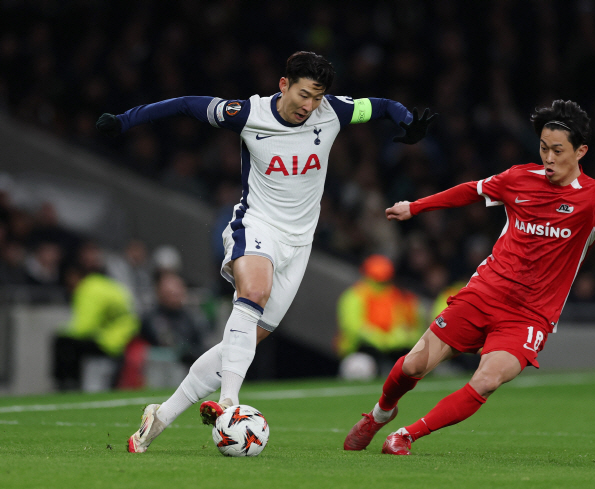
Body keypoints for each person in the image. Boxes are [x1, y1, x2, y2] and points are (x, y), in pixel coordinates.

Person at [96, 51, 437, 453]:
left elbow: (380, 106)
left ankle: (160, 418)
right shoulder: (247, 113)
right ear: (283, 85)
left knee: (239, 345)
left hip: (299, 245)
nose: (309, 106)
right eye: (304, 94)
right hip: (256, 227)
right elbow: (186, 105)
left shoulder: (334, 112)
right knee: (252, 294)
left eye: (317, 97)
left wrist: (406, 122)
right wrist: (124, 120)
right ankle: (229, 404)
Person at [343, 100, 595, 455]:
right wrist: (415, 207)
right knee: (415, 364)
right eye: (543, 148)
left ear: (581, 150)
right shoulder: (519, 178)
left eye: (558, 150)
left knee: (486, 380)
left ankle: (406, 435)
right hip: (484, 293)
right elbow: (470, 190)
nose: (549, 158)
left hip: (530, 315)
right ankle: (379, 415)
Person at [52, 261, 140, 391]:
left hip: (108, 341)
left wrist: (62, 331)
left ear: (74, 276)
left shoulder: (87, 288)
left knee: (62, 342)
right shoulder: (106, 284)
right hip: (124, 338)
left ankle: (67, 385)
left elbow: (84, 327)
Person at [336, 254, 424, 379]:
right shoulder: (356, 296)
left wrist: (397, 339)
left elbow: (415, 327)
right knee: (358, 366)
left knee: (414, 365)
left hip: (397, 352)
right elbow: (353, 327)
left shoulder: (403, 297)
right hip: (361, 350)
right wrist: (380, 339)